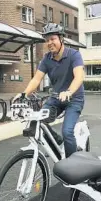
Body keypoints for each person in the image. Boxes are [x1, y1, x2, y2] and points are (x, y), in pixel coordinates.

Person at [13, 23, 85, 158]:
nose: (49, 43)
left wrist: (69, 92)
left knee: (68, 132)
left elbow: (79, 77)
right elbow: (36, 79)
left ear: (61, 39)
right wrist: (24, 94)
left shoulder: (74, 55)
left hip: (74, 98)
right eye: (47, 40)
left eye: (53, 39)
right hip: (56, 99)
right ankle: (56, 143)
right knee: (37, 121)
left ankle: (72, 164)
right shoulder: (47, 59)